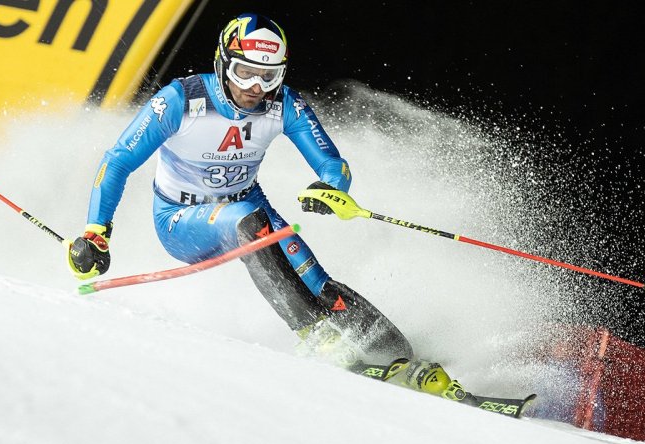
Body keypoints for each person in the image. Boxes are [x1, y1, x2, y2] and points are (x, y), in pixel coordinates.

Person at [66, 12, 465, 402]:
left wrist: (330, 188)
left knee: (315, 279)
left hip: (250, 210)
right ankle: (316, 337)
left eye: (269, 76)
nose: (256, 87)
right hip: (180, 220)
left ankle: (400, 357)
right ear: (222, 64)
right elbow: (117, 160)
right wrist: (96, 232)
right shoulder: (181, 100)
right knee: (246, 219)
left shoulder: (284, 104)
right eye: (245, 73)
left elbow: (333, 163)